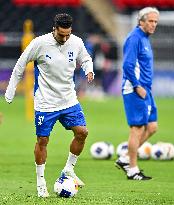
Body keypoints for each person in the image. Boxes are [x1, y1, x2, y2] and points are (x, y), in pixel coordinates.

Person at [5, 13, 94, 197]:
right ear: (54, 29)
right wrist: (11, 89)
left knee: (82, 132)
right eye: (61, 35)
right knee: (42, 141)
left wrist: (89, 69)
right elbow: (21, 64)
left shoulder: (75, 42)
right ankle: (40, 182)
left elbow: (85, 58)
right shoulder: (39, 43)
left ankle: (68, 169)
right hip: (46, 102)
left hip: (69, 100)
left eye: (67, 34)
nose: (65, 38)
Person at [115, 7, 159, 180]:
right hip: (135, 89)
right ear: (141, 21)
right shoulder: (135, 38)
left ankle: (125, 158)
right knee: (137, 128)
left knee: (152, 127)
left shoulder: (145, 38)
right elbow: (127, 65)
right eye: (150, 21)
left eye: (156, 21)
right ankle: (132, 169)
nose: (153, 24)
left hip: (145, 89)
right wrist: (137, 85)